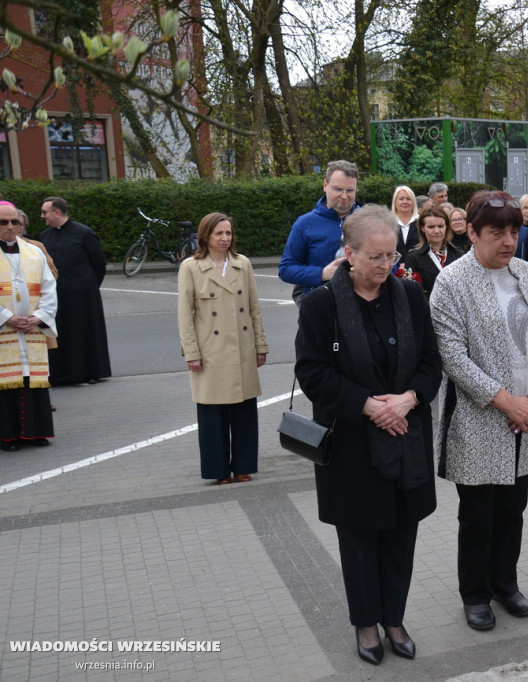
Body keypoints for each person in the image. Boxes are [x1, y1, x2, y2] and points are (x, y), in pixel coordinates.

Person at [295, 205, 442, 665]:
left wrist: (408, 400)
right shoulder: (322, 304)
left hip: (406, 439)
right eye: (375, 257)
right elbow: (312, 373)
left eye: (391, 256)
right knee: (359, 542)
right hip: (352, 447)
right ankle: (365, 623)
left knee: (401, 536)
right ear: (349, 253)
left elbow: (432, 364)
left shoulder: (410, 296)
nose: (386, 266)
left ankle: (394, 619)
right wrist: (369, 406)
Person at [430, 190, 528, 631]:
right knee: (478, 513)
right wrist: (509, 402)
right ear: (472, 232)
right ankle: (476, 594)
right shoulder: (451, 282)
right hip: (479, 418)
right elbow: (453, 357)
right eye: (497, 232)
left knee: (513, 508)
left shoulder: (527, 273)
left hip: (527, 418)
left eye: (514, 231)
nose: (508, 241)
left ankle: (506, 583)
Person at [177, 214, 267, 484]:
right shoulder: (191, 267)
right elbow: (185, 314)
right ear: (205, 236)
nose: (225, 238)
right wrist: (191, 352)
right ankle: (218, 471)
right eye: (219, 233)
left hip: (242, 348)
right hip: (210, 352)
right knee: (212, 416)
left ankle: (243, 466)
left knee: (244, 414)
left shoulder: (243, 264)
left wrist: (260, 344)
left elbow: (254, 308)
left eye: (228, 233)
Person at [0, 201, 57, 451]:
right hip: (4, 331)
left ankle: (36, 433)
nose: (11, 227)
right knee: (5, 384)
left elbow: (49, 288)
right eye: (4, 222)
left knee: (32, 380)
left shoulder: (34, 252)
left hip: (31, 329)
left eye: (15, 222)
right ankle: (8, 436)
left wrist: (39, 316)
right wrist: (6, 317)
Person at [38, 196, 111, 385]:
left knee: (81, 334)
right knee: (59, 335)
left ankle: (87, 372)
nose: (42, 216)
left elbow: (99, 263)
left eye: (45, 212)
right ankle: (60, 374)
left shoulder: (83, 233)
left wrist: (88, 286)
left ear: (58, 212)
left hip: (82, 296)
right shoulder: (44, 236)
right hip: (55, 295)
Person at [279, 160, 361, 303]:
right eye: (338, 189)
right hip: (321, 307)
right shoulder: (305, 224)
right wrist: (322, 273)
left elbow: (391, 262)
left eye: (350, 190)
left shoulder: (370, 221)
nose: (344, 196)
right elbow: (286, 269)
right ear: (325, 185)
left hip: (363, 304)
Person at [403, 207, 464, 297]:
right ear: (422, 228)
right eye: (431, 227)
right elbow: (411, 293)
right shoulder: (413, 258)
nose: (437, 231)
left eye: (440, 226)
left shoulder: (459, 254)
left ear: (446, 227)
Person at [391, 185, 420, 258]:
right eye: (401, 199)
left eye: (408, 199)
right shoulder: (388, 223)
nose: (405, 202)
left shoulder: (421, 222)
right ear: (395, 202)